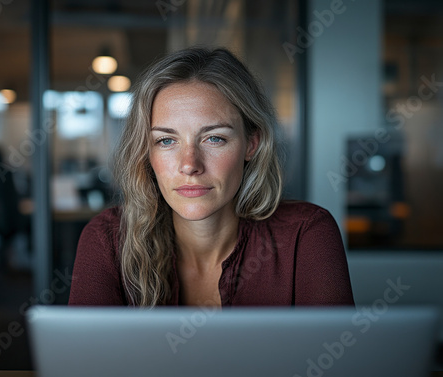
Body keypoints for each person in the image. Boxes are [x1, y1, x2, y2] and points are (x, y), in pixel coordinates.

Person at [69, 47, 354, 307]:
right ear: (146, 152)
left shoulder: (305, 235)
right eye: (166, 141)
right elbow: (85, 362)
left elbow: (335, 361)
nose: (190, 165)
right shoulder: (108, 240)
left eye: (214, 138)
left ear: (251, 144)